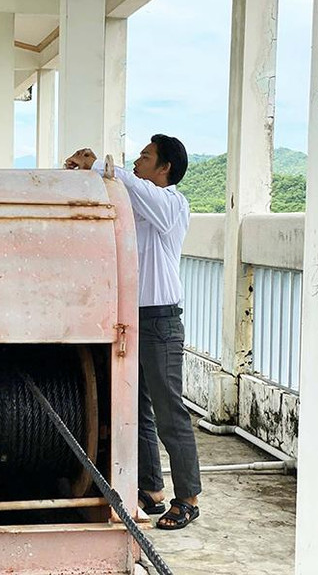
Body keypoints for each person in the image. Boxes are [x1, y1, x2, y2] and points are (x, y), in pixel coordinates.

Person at [64, 135, 201, 530]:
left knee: (170, 412)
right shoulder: (135, 204)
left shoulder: (171, 204)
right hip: (133, 319)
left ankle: (188, 497)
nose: (138, 161)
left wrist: (99, 166)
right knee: (137, 409)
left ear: (165, 169)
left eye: (146, 156)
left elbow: (134, 187)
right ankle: (152, 489)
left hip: (160, 322)